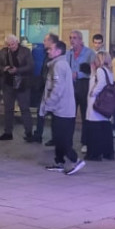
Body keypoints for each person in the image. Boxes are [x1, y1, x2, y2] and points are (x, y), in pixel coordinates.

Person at [40, 41, 85, 175]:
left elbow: (57, 89)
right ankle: (59, 162)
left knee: (62, 138)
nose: (48, 50)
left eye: (51, 48)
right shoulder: (58, 64)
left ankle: (75, 160)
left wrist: (48, 104)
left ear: (58, 51)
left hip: (63, 110)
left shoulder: (59, 65)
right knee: (58, 137)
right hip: (60, 109)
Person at [0, 34, 34, 141]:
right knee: (8, 109)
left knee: (24, 108)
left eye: (12, 44)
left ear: (17, 42)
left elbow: (31, 66)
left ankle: (29, 132)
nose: (10, 47)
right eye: (8, 45)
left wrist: (17, 70)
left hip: (22, 83)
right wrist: (4, 68)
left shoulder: (25, 51)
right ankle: (8, 132)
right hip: (8, 84)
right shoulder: (3, 52)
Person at [84, 52, 115, 161]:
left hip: (97, 103)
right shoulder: (109, 71)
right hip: (105, 106)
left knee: (95, 130)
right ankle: (107, 152)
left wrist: (93, 92)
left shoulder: (100, 70)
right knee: (105, 129)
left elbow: (101, 83)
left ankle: (94, 153)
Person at [67, 30, 96, 145]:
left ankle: (85, 142)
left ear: (80, 40)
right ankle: (67, 141)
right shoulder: (68, 54)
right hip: (71, 87)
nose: (72, 40)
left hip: (84, 85)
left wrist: (78, 74)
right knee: (69, 115)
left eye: (74, 38)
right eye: (70, 38)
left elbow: (93, 71)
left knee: (85, 116)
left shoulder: (89, 53)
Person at [31, 33, 60, 144]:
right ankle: (38, 134)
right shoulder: (46, 53)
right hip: (44, 86)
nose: (43, 42)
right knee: (41, 111)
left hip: (51, 87)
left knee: (53, 113)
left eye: (45, 40)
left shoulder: (56, 55)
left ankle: (55, 137)